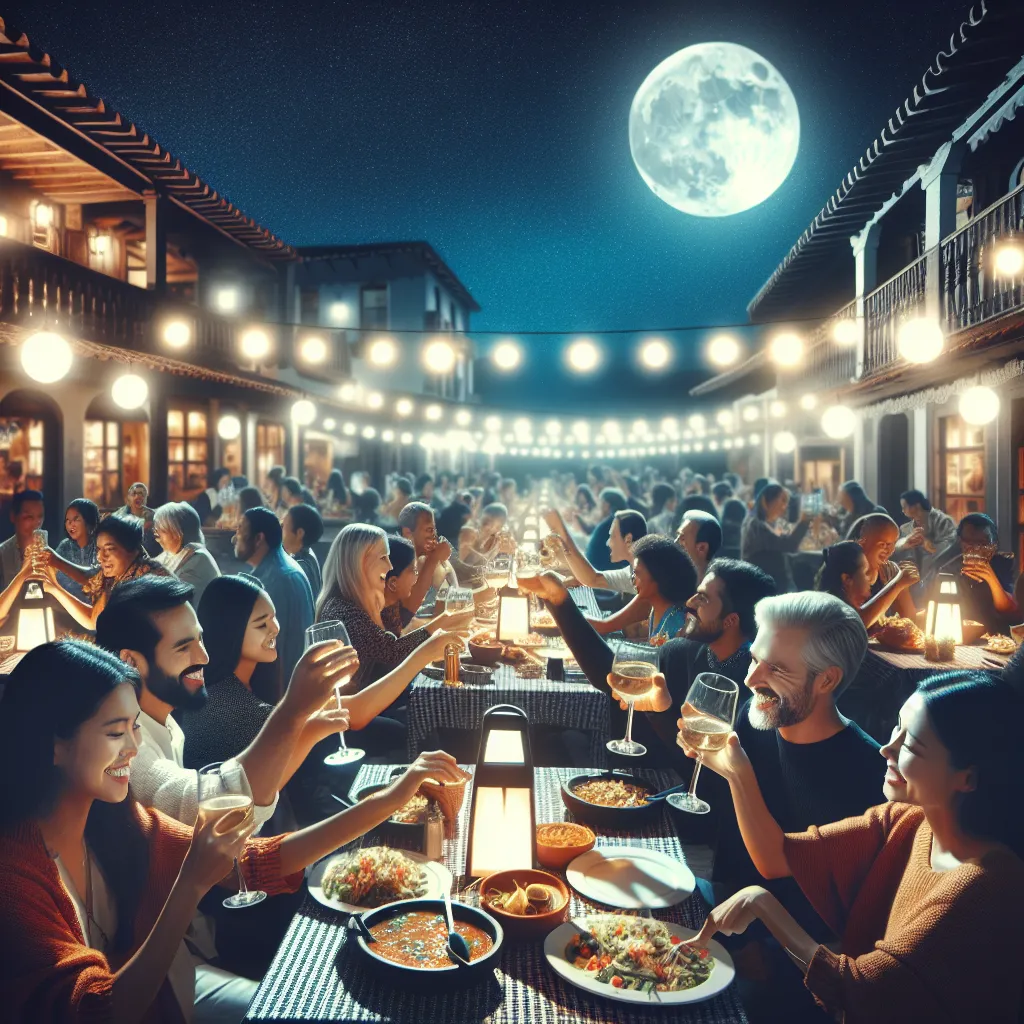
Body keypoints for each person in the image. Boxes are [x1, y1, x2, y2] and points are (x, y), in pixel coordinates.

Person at [0, 638, 468, 1023]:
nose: (133, 748)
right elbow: (100, 1012)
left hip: (172, 995)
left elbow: (255, 861)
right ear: (54, 745)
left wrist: (389, 801)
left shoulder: (118, 823)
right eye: (115, 732)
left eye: (135, 728)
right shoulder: (14, 875)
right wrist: (190, 885)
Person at [694, 669, 1024, 1023]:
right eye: (897, 727)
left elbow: (855, 993)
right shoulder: (906, 820)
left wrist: (763, 904)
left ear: (968, 778)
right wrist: (734, 770)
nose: (887, 747)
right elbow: (779, 855)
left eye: (910, 745)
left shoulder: (983, 885)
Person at [522, 559, 776, 763]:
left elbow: (713, 764)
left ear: (731, 620)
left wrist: (663, 712)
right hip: (658, 780)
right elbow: (609, 677)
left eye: (703, 599)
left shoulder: (756, 685)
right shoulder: (682, 651)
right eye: (696, 594)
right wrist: (559, 602)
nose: (689, 604)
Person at [316, 523, 473, 691]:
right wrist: (438, 625)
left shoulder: (360, 601)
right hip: (352, 710)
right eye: (383, 558)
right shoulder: (345, 611)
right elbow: (392, 654)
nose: (389, 567)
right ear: (360, 563)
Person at [232, 507, 314, 700]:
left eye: (240, 530)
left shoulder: (278, 579)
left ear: (259, 538)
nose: (234, 538)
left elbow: (276, 651)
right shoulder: (279, 570)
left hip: (278, 698)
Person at [43, 514, 171, 631]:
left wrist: (54, 587)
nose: (100, 557)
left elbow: (98, 622)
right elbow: (94, 618)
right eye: (99, 549)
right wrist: (54, 586)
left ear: (133, 549)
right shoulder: (115, 576)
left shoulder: (149, 581)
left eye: (109, 549)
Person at [930, 512, 1017, 634]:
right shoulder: (948, 570)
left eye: (981, 543)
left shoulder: (1006, 564)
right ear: (960, 541)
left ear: (993, 544)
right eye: (969, 542)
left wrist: (991, 579)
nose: (975, 548)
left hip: (1001, 638)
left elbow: (1012, 611)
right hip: (963, 637)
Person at [816, 540, 917, 630]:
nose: (869, 579)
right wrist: (898, 584)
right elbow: (859, 622)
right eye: (865, 573)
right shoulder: (831, 609)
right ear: (847, 579)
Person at [543, 507, 646, 595]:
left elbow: (593, 579)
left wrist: (561, 531)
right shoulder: (630, 572)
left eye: (612, 536)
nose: (608, 542)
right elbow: (593, 578)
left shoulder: (645, 576)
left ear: (628, 540)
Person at [741, 483, 812, 593]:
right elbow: (789, 545)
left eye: (787, 502)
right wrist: (804, 521)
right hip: (762, 587)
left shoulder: (765, 523)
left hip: (773, 584)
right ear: (765, 501)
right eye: (782, 500)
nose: (785, 507)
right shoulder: (755, 525)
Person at [847, 513, 918, 619]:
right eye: (883, 544)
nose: (889, 551)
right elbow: (855, 623)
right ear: (862, 542)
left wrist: (903, 586)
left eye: (893, 544)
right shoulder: (847, 572)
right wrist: (897, 585)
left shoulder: (890, 571)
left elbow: (909, 619)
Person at [153, 502, 221, 608]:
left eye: (162, 531)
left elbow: (172, 599)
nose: (157, 537)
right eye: (155, 531)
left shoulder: (198, 560)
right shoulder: (170, 553)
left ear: (178, 533)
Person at [398, 501, 458, 610]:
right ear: (408, 533)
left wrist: (442, 563)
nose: (434, 535)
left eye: (434, 530)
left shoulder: (427, 560)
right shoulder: (396, 563)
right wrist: (434, 559)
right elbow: (408, 612)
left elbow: (456, 598)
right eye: (429, 530)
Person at [894, 489, 956, 574]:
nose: (903, 510)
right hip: (913, 578)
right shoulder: (905, 528)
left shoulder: (944, 521)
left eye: (904, 507)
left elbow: (952, 548)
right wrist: (905, 544)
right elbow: (895, 549)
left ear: (917, 506)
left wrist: (929, 545)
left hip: (940, 575)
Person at [54, 498, 100, 600]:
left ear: (89, 521)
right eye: (67, 520)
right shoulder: (64, 547)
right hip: (66, 607)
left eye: (76, 519)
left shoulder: (100, 545)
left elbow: (96, 578)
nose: (70, 524)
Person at [0, 488, 44, 591]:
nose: (36, 524)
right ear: (13, 517)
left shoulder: (48, 555)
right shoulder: (2, 555)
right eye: (29, 517)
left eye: (40, 517)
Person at [282, 503, 324, 598]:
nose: (279, 531)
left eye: (283, 526)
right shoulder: (307, 555)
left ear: (299, 533)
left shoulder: (299, 568)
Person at [584, 487, 629, 572]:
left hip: (605, 573)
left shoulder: (613, 523)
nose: (599, 507)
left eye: (600, 503)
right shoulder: (624, 521)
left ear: (606, 505)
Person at [675, 509, 722, 581]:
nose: (675, 542)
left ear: (702, 548)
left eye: (682, 538)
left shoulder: (713, 588)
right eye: (677, 536)